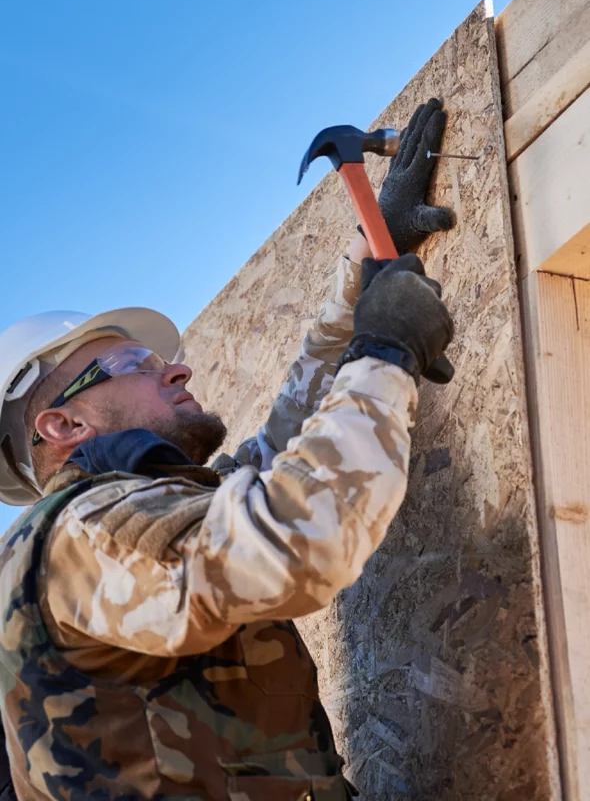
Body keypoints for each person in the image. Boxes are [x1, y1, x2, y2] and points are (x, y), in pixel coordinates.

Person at [0, 101, 455, 801]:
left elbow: (273, 456)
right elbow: (296, 535)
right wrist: (386, 350)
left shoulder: (139, 515)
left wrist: (366, 261)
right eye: (133, 362)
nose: (176, 370)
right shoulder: (82, 534)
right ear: (64, 426)